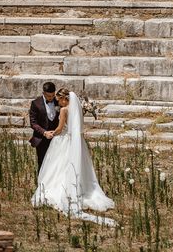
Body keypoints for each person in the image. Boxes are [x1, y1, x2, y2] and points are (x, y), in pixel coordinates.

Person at [32, 88, 115, 226]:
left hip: (64, 140)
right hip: (77, 142)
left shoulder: (65, 110)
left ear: (65, 98)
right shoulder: (77, 109)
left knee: (59, 166)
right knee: (73, 165)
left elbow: (60, 128)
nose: (59, 103)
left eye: (59, 100)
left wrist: (51, 133)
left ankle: (60, 189)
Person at [29, 81, 59, 172]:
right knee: (42, 163)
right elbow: (33, 123)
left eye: (53, 95)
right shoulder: (36, 103)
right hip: (42, 139)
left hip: (56, 138)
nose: (51, 98)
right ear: (43, 93)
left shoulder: (58, 102)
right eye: (48, 96)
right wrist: (44, 132)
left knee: (56, 163)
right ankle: (41, 185)